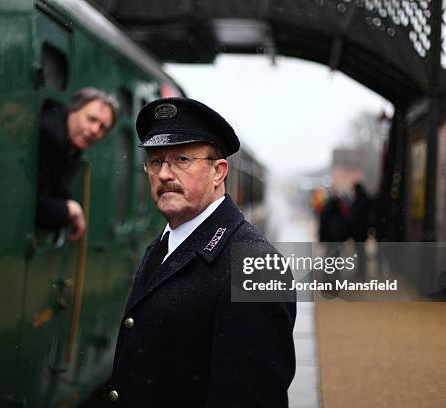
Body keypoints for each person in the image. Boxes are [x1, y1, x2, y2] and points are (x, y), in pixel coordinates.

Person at [108, 97, 296, 407]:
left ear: (219, 172)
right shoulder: (166, 243)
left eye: (181, 159)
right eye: (156, 161)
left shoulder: (257, 266)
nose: (165, 174)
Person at [36, 88, 119, 240]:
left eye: (103, 128)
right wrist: (71, 209)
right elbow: (37, 208)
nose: (95, 130)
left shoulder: (73, 148)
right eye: (91, 119)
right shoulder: (49, 136)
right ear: (72, 110)